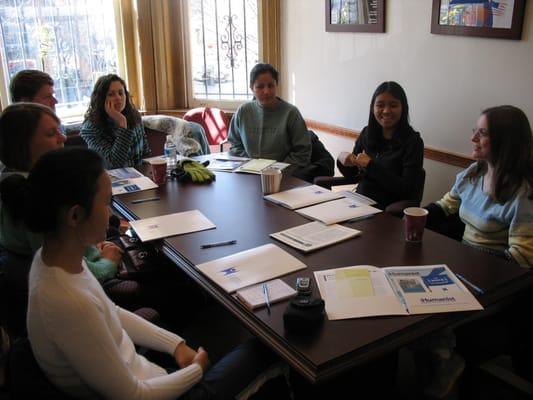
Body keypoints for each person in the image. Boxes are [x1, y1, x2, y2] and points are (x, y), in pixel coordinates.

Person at [0, 147, 280, 399]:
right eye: (106, 202)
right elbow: (134, 394)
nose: (111, 213)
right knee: (266, 350)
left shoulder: (52, 260)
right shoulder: (68, 302)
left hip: (145, 372)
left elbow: (110, 311)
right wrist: (196, 371)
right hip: (152, 390)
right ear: (74, 216)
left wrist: (175, 344)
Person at [0, 103, 142, 316]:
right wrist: (107, 262)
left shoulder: (19, 183)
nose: (63, 138)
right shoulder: (30, 199)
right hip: (88, 286)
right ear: (22, 144)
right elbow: (67, 270)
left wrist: (94, 246)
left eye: (60, 130)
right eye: (51, 133)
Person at [427, 105, 533, 267]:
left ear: (506, 141)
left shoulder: (523, 193)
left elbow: (522, 256)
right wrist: (418, 217)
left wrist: (471, 260)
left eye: (482, 133)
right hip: (463, 261)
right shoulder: (475, 172)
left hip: (492, 273)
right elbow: (447, 204)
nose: (473, 138)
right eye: (474, 130)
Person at [337, 81, 424, 210]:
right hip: (358, 202)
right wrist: (343, 160)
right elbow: (353, 174)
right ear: (373, 108)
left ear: (403, 108)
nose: (386, 111)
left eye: (393, 105)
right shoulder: (367, 133)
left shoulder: (413, 142)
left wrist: (371, 166)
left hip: (387, 209)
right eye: (380, 105)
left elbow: (407, 189)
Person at [228, 63, 312, 170]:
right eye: (260, 86)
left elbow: (302, 151)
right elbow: (235, 145)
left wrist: (278, 169)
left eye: (270, 85)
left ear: (277, 85)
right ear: (251, 87)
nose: (266, 91)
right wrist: (252, 165)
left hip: (283, 175)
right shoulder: (243, 111)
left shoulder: (291, 113)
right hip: (248, 172)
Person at [81, 74, 150, 169]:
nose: (118, 98)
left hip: (139, 177)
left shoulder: (134, 116)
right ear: (101, 99)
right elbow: (114, 164)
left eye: (121, 93)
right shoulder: (91, 128)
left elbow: (145, 152)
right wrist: (122, 122)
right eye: (111, 94)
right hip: (110, 180)